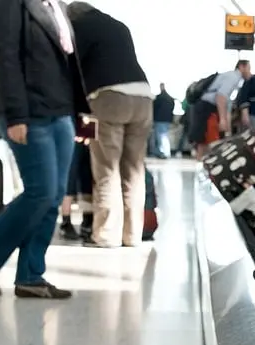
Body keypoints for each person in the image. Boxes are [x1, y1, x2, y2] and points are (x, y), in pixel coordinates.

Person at [0, 0, 85, 300]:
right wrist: (16, 115)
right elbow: (5, 56)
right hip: (29, 111)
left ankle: (30, 276)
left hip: (61, 110)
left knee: (54, 196)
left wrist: (79, 111)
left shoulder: (56, 6)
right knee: (41, 191)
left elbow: (67, 63)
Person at [66, 2, 152, 248]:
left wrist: (77, 117)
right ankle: (132, 235)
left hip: (108, 97)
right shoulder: (119, 26)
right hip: (143, 96)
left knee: (107, 168)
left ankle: (106, 235)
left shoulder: (78, 28)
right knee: (134, 170)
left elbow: (74, 72)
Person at [190, 60, 249, 157]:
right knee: (210, 140)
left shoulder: (232, 78)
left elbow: (226, 103)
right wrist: (222, 120)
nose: (250, 71)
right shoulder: (234, 77)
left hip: (205, 107)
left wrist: (227, 124)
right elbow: (220, 96)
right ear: (241, 67)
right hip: (207, 107)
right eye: (248, 68)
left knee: (203, 140)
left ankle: (202, 162)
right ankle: (206, 162)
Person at [59, 117, 95, 240]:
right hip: (72, 123)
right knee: (70, 174)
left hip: (89, 125)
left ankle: (87, 218)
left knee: (88, 175)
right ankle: (66, 220)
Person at [151, 83, 174, 158]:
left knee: (160, 137)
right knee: (164, 136)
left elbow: (154, 108)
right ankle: (166, 152)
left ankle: (162, 152)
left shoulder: (158, 98)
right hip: (167, 119)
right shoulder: (170, 98)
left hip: (159, 119)